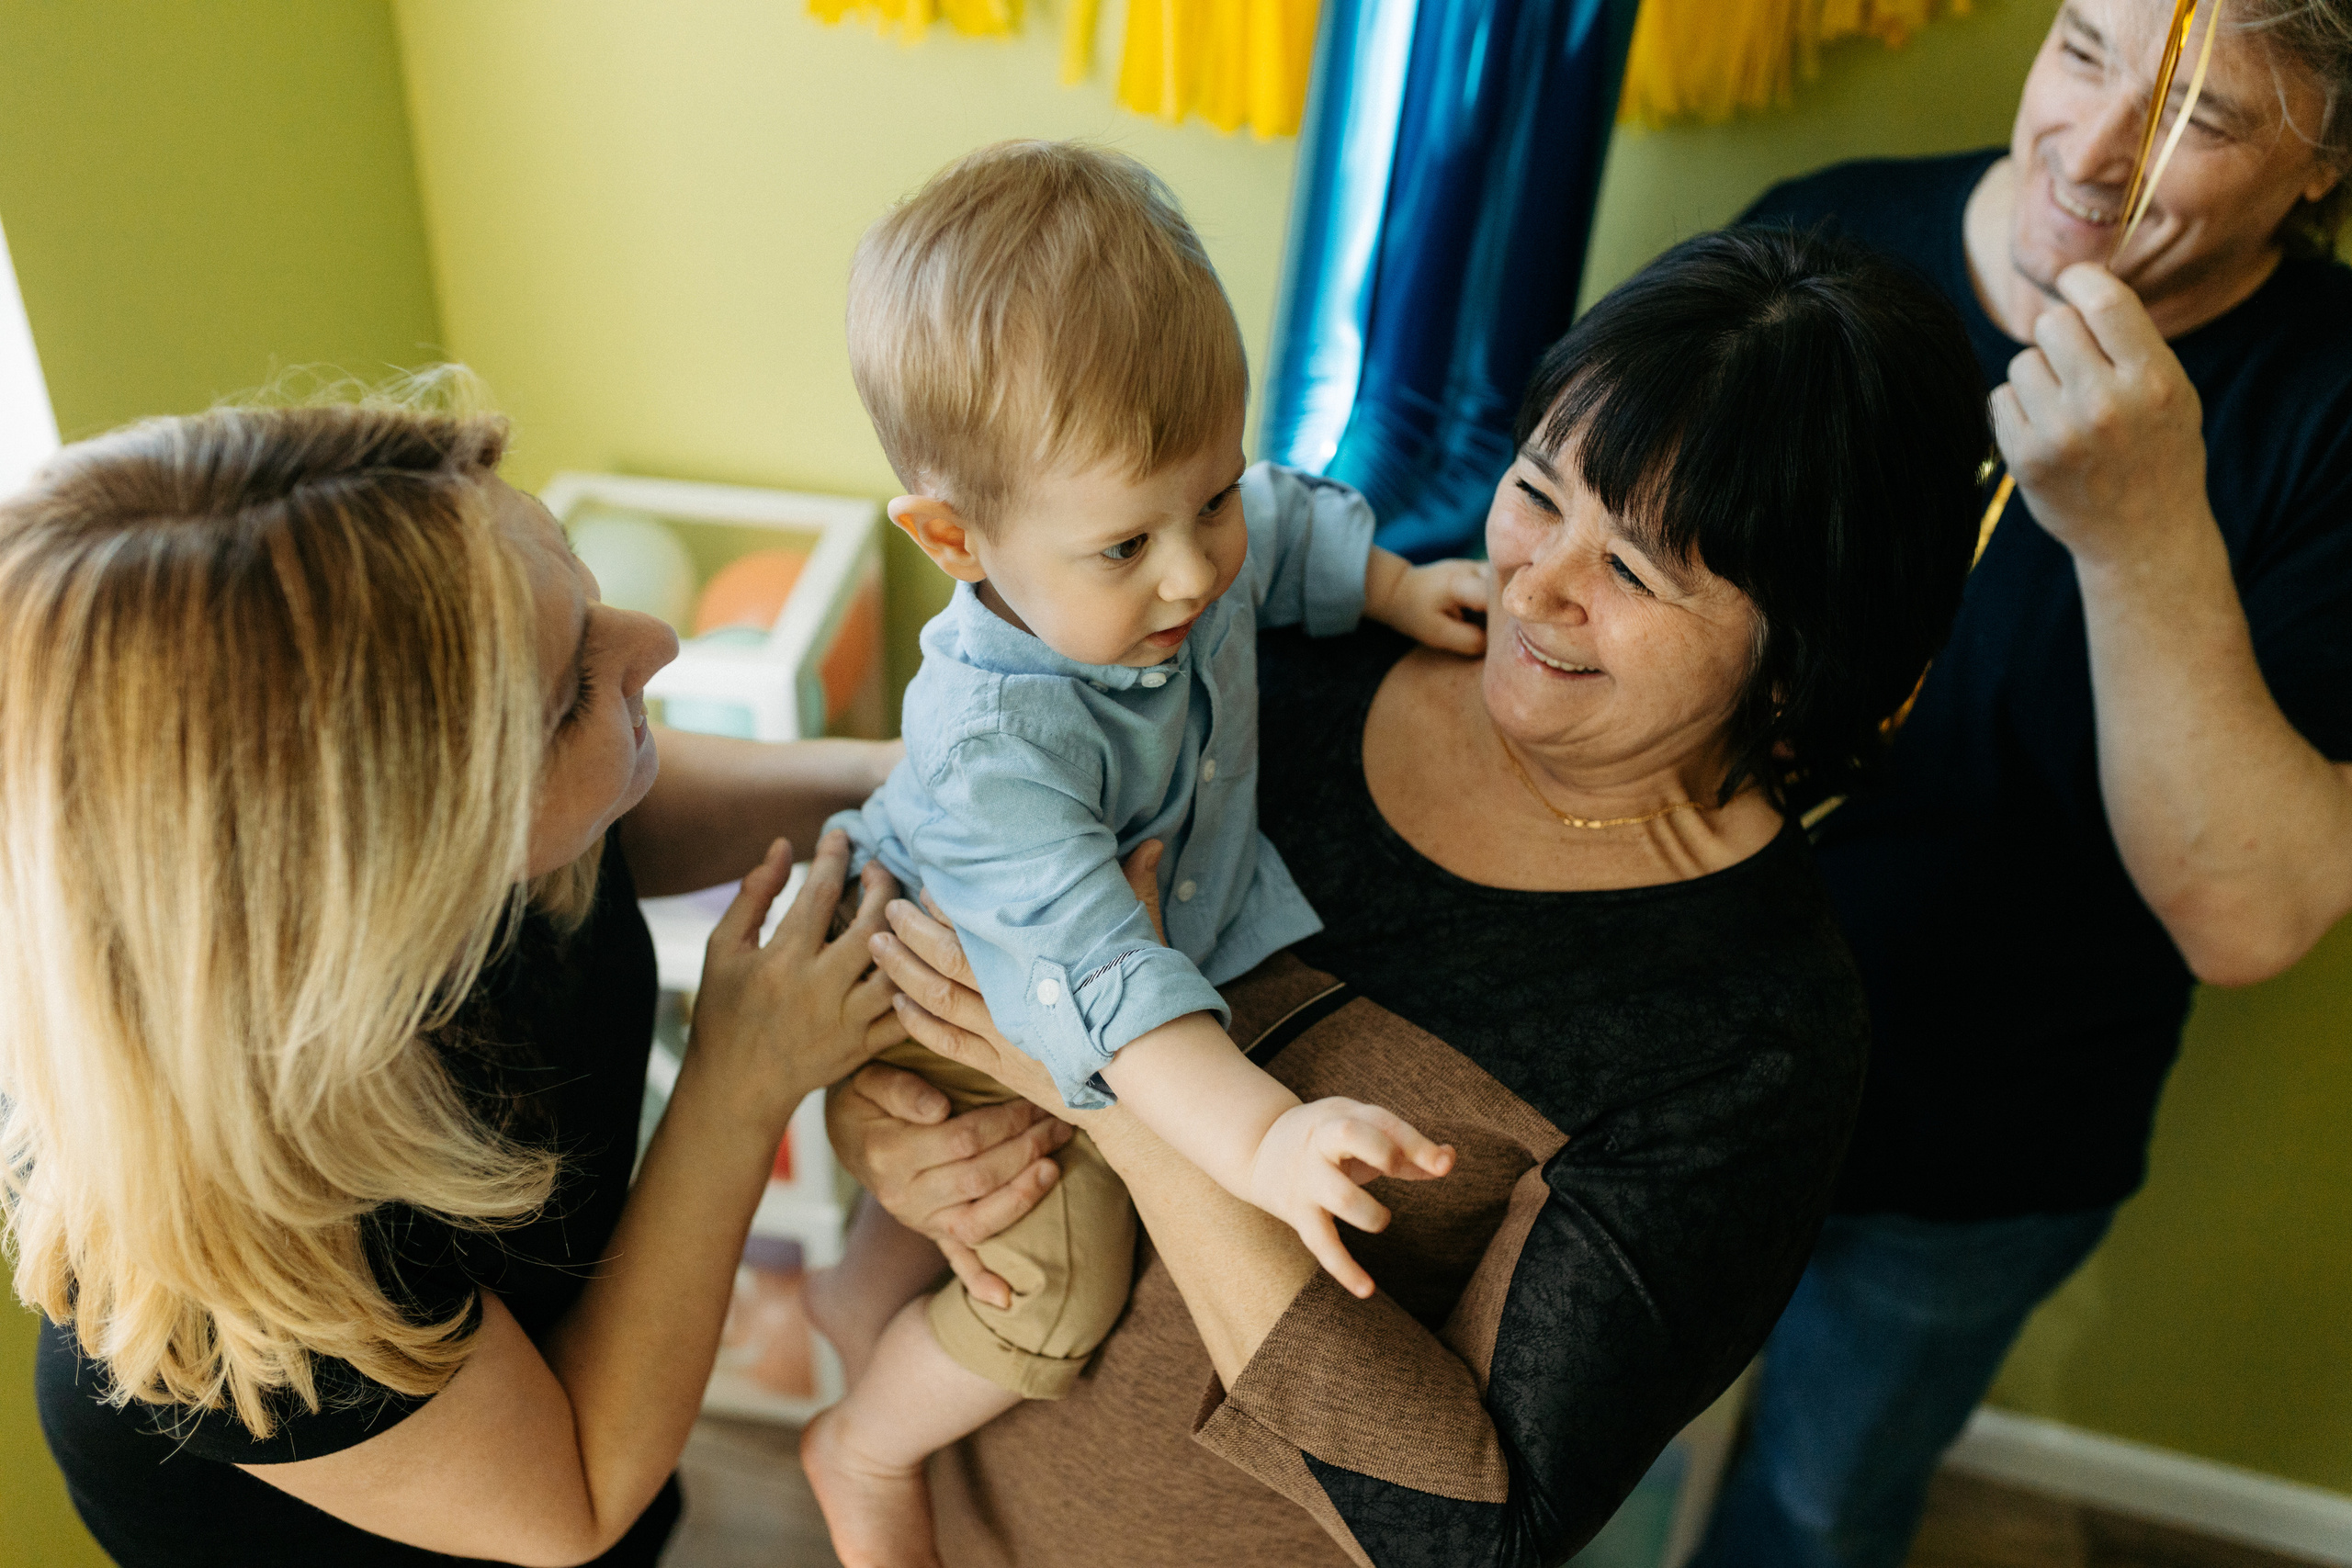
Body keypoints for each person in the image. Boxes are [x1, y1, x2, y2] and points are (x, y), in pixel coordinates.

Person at [824, 226, 1993, 1567]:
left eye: (1632, 571)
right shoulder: (1254, 626)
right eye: (1540, 493)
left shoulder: (1747, 1033)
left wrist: (1112, 1103)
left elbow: (1480, 1536)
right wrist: (896, 1141)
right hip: (937, 1499)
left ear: (1802, 656)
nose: (1536, 587)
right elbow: (975, 855)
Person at [6, 386, 905, 1566]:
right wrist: (742, 1079)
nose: (659, 644)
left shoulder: (509, 837)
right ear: (408, 873)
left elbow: (614, 796)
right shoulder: (233, 1284)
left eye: (585, 597)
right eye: (577, 686)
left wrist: (906, 772)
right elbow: (573, 1495)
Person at [1688, 4, 2352, 1566]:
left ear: (2320, 169)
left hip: (1982, 1155)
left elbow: (2250, 915)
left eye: (2204, 116)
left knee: (1815, 1513)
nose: (2095, 149)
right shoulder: (1820, 239)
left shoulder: (2329, 411)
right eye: (2080, 47)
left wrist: (2141, 530)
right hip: (1676, 1069)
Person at [798, 141, 1486, 1568]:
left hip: (1067, 959)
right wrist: (1265, 1134)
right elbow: (1109, 979)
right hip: (961, 986)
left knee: (925, 1230)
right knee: (1057, 1284)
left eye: (1209, 500)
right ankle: (863, 1445)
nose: (1195, 571)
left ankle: (858, 1290)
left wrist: (1397, 585)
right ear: (954, 537)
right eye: (1126, 545)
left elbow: (1284, 519)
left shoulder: (1172, 549)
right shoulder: (1003, 753)